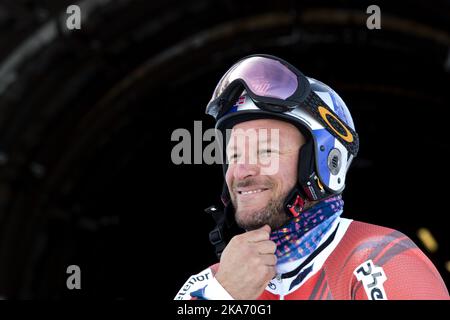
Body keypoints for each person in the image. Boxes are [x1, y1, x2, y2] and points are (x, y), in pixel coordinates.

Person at [174, 54, 449, 300]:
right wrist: (223, 295)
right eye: (234, 155)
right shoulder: (207, 286)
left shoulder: (384, 260)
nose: (242, 171)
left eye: (266, 151)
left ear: (325, 162)